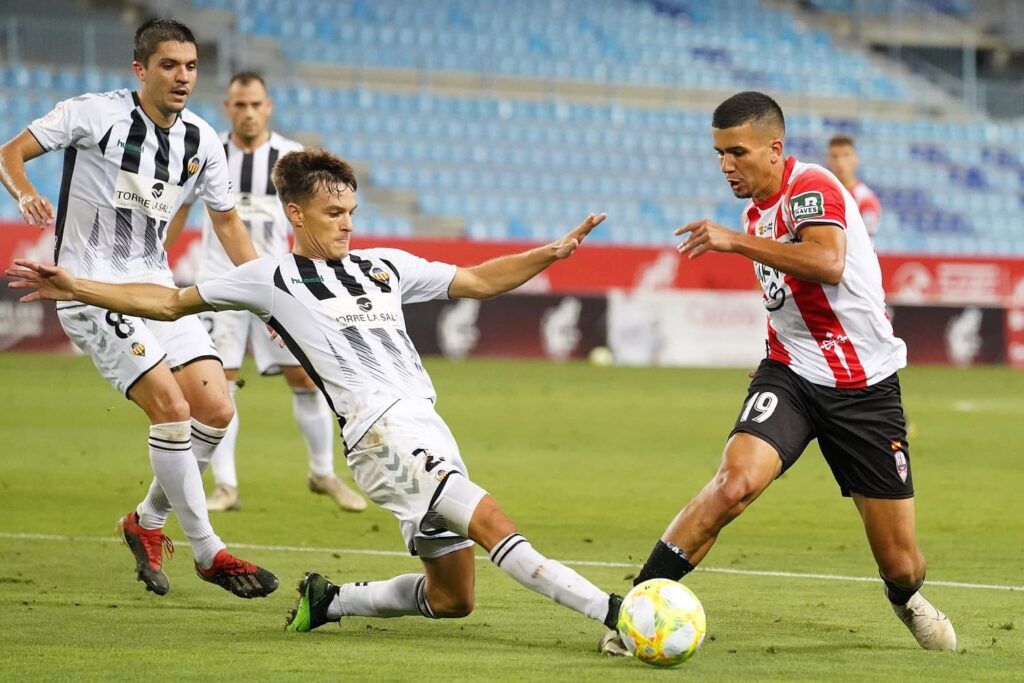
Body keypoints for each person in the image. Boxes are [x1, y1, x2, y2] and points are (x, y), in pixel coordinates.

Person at [8, 150, 624, 644]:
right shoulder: (269, 279)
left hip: (428, 426)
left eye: (351, 211)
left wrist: (550, 253)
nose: (348, 224)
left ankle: (329, 601)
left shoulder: (383, 266)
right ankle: (616, 614)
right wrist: (81, 287)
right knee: (494, 523)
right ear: (297, 216)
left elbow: (478, 280)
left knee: (452, 599)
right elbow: (169, 301)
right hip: (381, 434)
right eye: (334, 213)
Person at [603, 91, 955, 654]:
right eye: (718, 153)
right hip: (791, 376)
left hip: (865, 391)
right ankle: (632, 613)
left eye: (736, 152)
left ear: (774, 149)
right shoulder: (755, 211)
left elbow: (828, 263)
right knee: (731, 484)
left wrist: (735, 242)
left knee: (903, 563)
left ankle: (904, 598)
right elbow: (787, 299)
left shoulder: (809, 188)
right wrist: (773, 354)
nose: (725, 165)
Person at [0, 19, 277, 599]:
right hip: (84, 288)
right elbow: (10, 153)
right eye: (169, 65)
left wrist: (264, 291)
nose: (182, 77)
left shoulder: (202, 140)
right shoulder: (93, 114)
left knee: (217, 409)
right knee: (173, 410)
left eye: (192, 67)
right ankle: (208, 551)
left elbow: (226, 222)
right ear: (140, 70)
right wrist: (24, 191)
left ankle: (145, 522)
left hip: (157, 290)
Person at [164, 72, 365, 513]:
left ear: (268, 106)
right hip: (221, 285)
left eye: (255, 104)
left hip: (280, 283)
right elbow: (178, 209)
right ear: (227, 108)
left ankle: (322, 473)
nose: (248, 112)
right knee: (221, 384)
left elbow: (320, 217)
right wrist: (156, 257)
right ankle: (227, 486)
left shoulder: (291, 158)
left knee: (306, 379)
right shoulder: (208, 150)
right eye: (240, 105)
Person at [826, 134, 882, 249]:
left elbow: (867, 241)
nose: (840, 162)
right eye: (835, 156)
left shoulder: (866, 199)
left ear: (855, 159)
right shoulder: (822, 193)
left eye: (846, 156)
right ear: (828, 160)